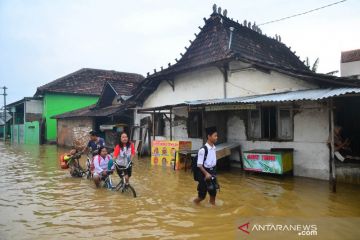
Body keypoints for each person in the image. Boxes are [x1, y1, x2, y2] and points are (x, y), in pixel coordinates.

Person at [193, 126, 219, 206]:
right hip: (204, 174)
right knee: (202, 197)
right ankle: (194, 204)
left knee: (213, 194)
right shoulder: (203, 150)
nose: (216, 137)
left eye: (216, 136)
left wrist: (213, 173)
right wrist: (206, 174)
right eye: (215, 136)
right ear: (209, 136)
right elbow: (199, 165)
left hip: (212, 173)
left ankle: (213, 212)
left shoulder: (214, 148)